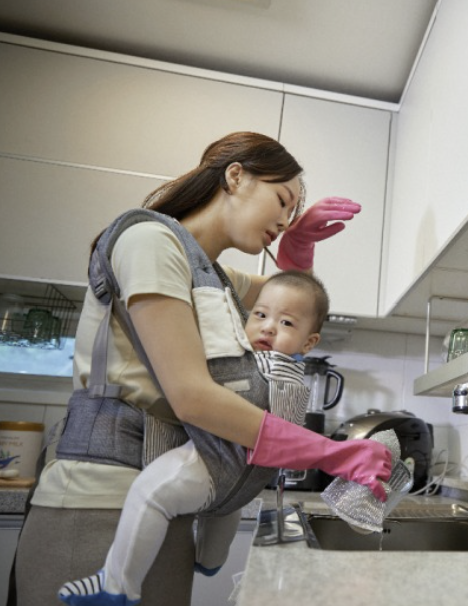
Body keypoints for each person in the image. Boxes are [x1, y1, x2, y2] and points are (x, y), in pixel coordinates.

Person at [13, 132, 392, 606]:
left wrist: (298, 245)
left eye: (292, 212)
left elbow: (293, 302)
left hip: (162, 507)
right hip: (97, 506)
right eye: (281, 201)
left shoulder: (214, 275)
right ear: (236, 177)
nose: (284, 219)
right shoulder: (150, 242)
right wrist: (330, 453)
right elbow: (191, 397)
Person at [58, 270, 329, 605]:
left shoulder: (275, 372)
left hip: (215, 462)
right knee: (224, 510)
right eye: (260, 315)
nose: (268, 327)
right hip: (243, 484)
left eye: (286, 323)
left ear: (309, 343)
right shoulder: (277, 369)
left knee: (151, 493)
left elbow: (271, 428)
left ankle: (117, 586)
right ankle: (210, 558)